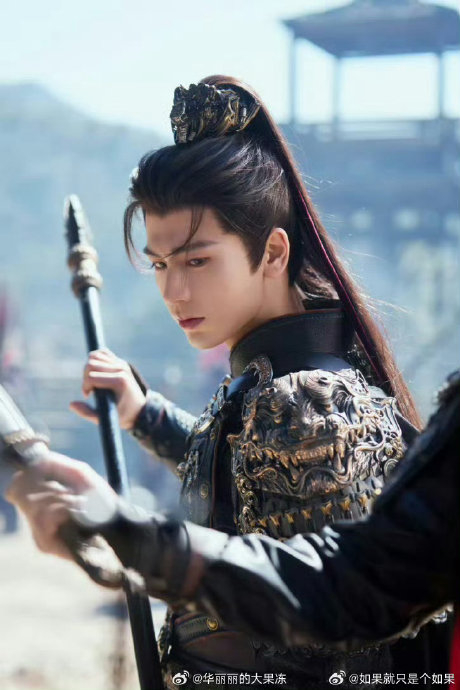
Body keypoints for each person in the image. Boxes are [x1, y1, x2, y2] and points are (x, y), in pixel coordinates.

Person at [5, 76, 451, 688]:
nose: (173, 291)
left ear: (273, 253)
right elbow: (249, 484)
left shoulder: (308, 404)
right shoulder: (274, 387)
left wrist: (127, 530)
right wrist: (145, 414)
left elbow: (329, 653)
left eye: (197, 260)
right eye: (160, 264)